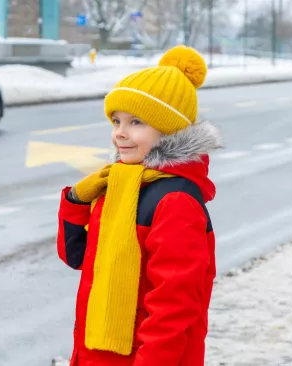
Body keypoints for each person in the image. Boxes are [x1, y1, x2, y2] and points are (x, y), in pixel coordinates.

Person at [56, 45, 222, 366]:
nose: (120, 134)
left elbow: (174, 309)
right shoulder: (121, 184)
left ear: (168, 130)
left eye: (136, 123)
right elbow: (78, 258)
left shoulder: (175, 202)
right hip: (97, 353)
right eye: (116, 120)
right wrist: (76, 200)